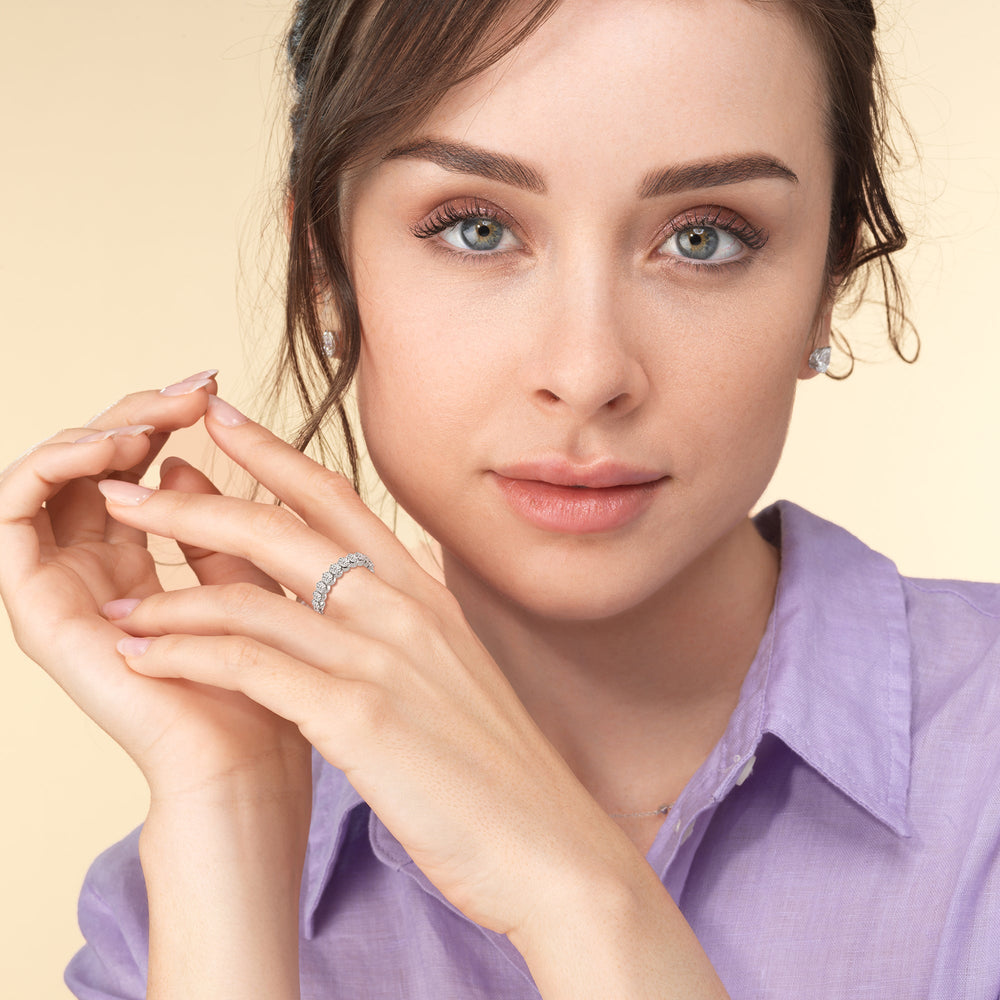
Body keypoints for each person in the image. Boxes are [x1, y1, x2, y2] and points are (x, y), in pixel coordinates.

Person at [1, 0, 998, 997]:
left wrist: (576, 893)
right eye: (476, 228)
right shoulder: (172, 911)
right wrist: (235, 813)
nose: (586, 368)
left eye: (704, 238)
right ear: (325, 266)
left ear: (827, 278)